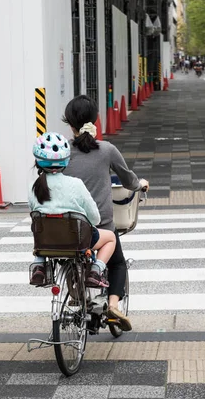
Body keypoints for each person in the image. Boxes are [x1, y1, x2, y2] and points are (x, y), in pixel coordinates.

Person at [61, 95, 149, 332]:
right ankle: (112, 305)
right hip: (100, 225)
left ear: (69, 123)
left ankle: (77, 295)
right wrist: (140, 184)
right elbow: (129, 180)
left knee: (69, 255)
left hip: (66, 225)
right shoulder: (106, 150)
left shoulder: (60, 152)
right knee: (118, 263)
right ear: (95, 120)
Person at [28, 132, 116, 289]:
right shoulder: (76, 184)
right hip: (77, 241)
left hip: (46, 242)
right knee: (110, 238)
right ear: (66, 160)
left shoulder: (34, 187)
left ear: (38, 161)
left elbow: (34, 215)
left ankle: (39, 265)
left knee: (41, 229)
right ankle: (95, 272)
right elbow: (95, 218)